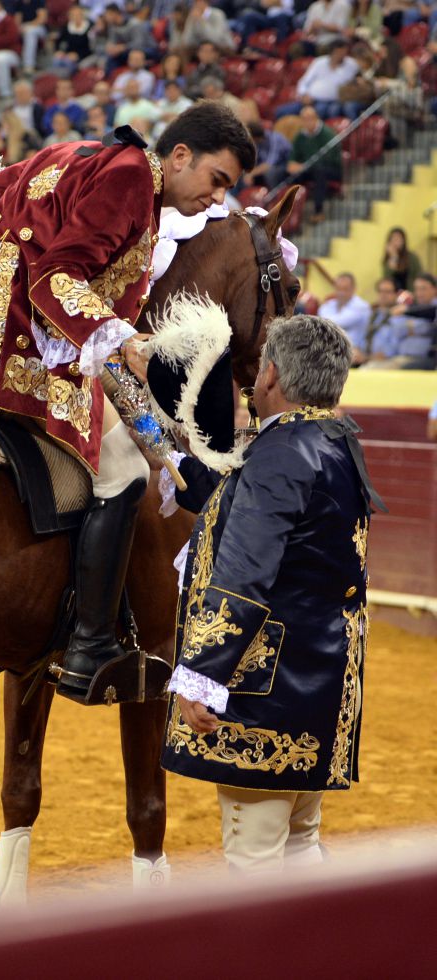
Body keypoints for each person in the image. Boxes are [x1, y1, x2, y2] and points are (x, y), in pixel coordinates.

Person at [0, 103, 257, 706]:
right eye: (217, 180)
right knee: (124, 471)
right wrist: (120, 338)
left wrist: (4, 248)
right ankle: (90, 646)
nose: (218, 199)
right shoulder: (132, 179)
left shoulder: (83, 152)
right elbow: (56, 279)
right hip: (4, 334)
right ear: (180, 155)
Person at [162, 314, 381, 874]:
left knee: (253, 862)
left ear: (273, 375)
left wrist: (200, 673)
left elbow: (243, 573)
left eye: (261, 367)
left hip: (267, 692)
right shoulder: (333, 441)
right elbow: (250, 508)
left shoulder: (281, 451)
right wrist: (167, 453)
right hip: (319, 685)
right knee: (300, 846)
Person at [286, 105, 341, 225]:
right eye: (304, 119)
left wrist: (303, 166)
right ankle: (288, 215)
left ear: (316, 118)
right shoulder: (300, 136)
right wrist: (292, 163)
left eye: (310, 118)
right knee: (285, 174)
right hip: (308, 169)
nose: (307, 122)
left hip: (331, 169)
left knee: (320, 172)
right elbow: (294, 155)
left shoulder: (326, 133)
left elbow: (328, 158)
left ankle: (318, 211)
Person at [319, 272, 371, 354]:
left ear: (354, 289)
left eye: (345, 289)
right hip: (331, 351)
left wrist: (323, 321)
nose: (341, 293)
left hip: (355, 352)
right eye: (338, 289)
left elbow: (333, 323)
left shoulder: (361, 306)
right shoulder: (329, 305)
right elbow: (322, 318)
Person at [380, 226, 422, 293]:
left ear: (403, 241)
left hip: (409, 294)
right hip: (393, 295)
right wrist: (394, 256)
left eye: (398, 238)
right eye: (393, 238)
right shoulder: (389, 259)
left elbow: (419, 276)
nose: (396, 241)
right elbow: (387, 278)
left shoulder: (412, 257)